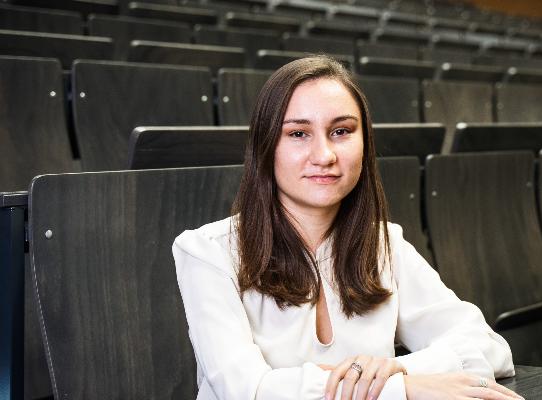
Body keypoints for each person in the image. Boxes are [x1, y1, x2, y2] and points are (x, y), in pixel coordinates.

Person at [173, 56, 521, 400]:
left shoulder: (385, 242)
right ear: (266, 147)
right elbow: (248, 390)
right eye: (298, 133)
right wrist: (400, 389)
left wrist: (402, 368)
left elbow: (489, 348)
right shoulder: (208, 251)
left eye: (341, 131)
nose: (324, 155)